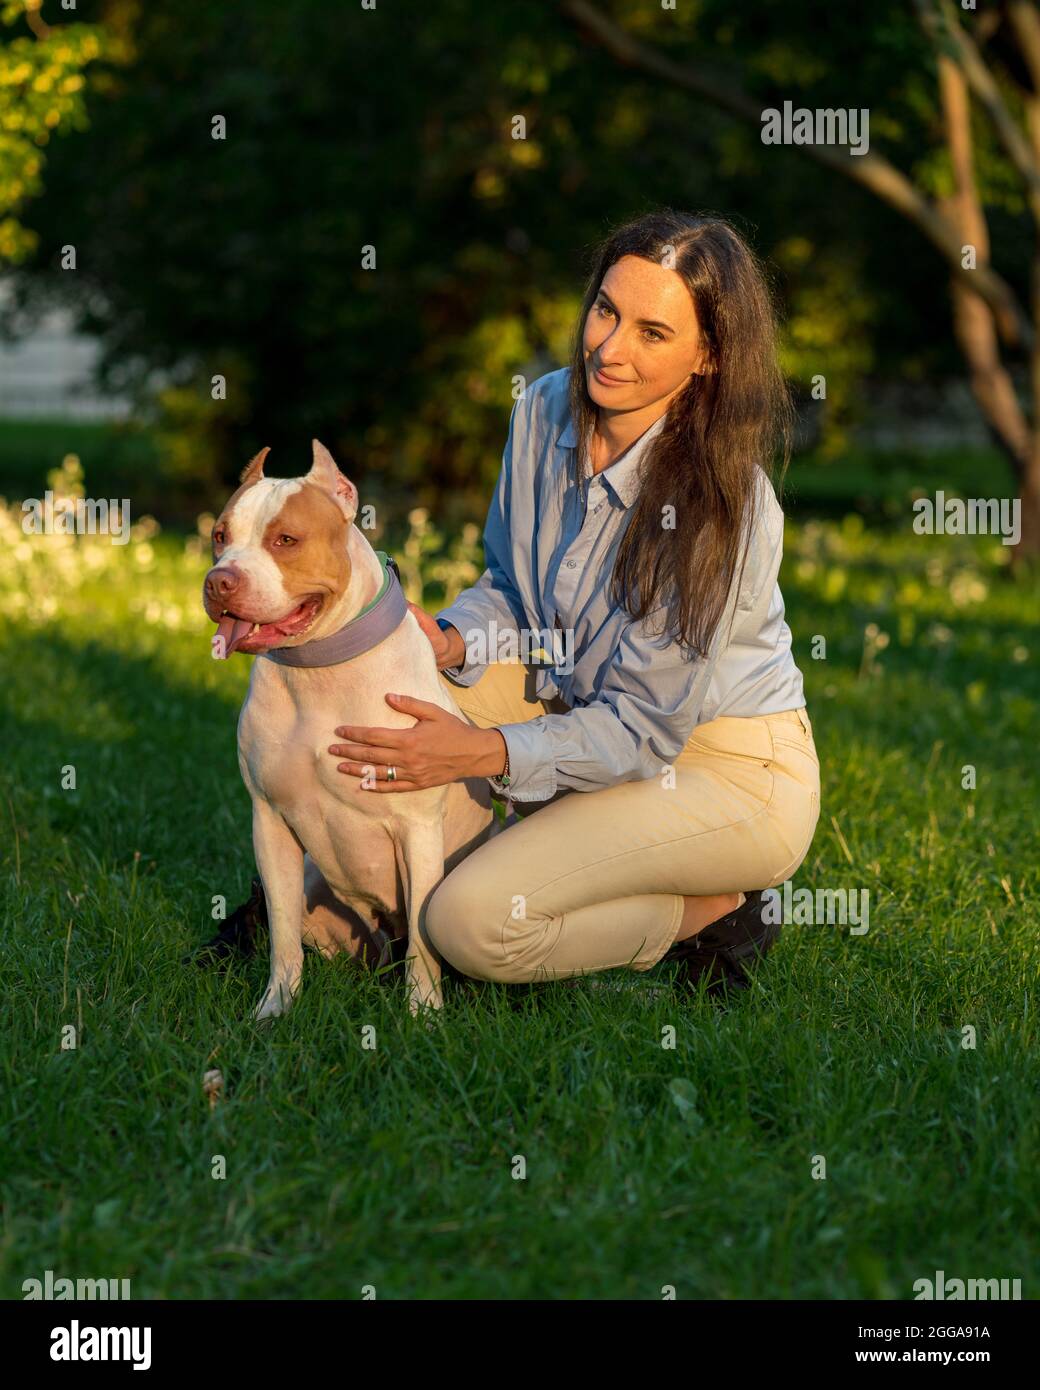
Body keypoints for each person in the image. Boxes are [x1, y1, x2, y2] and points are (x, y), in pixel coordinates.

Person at [194, 209, 820, 1000]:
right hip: (572, 689)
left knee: (472, 925)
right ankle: (325, 884)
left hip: (721, 766)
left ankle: (712, 914)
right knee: (403, 691)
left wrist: (485, 751)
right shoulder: (547, 408)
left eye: (653, 333)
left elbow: (644, 729)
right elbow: (515, 591)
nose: (609, 348)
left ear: (709, 356)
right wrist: (451, 639)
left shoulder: (722, 505)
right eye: (605, 309)